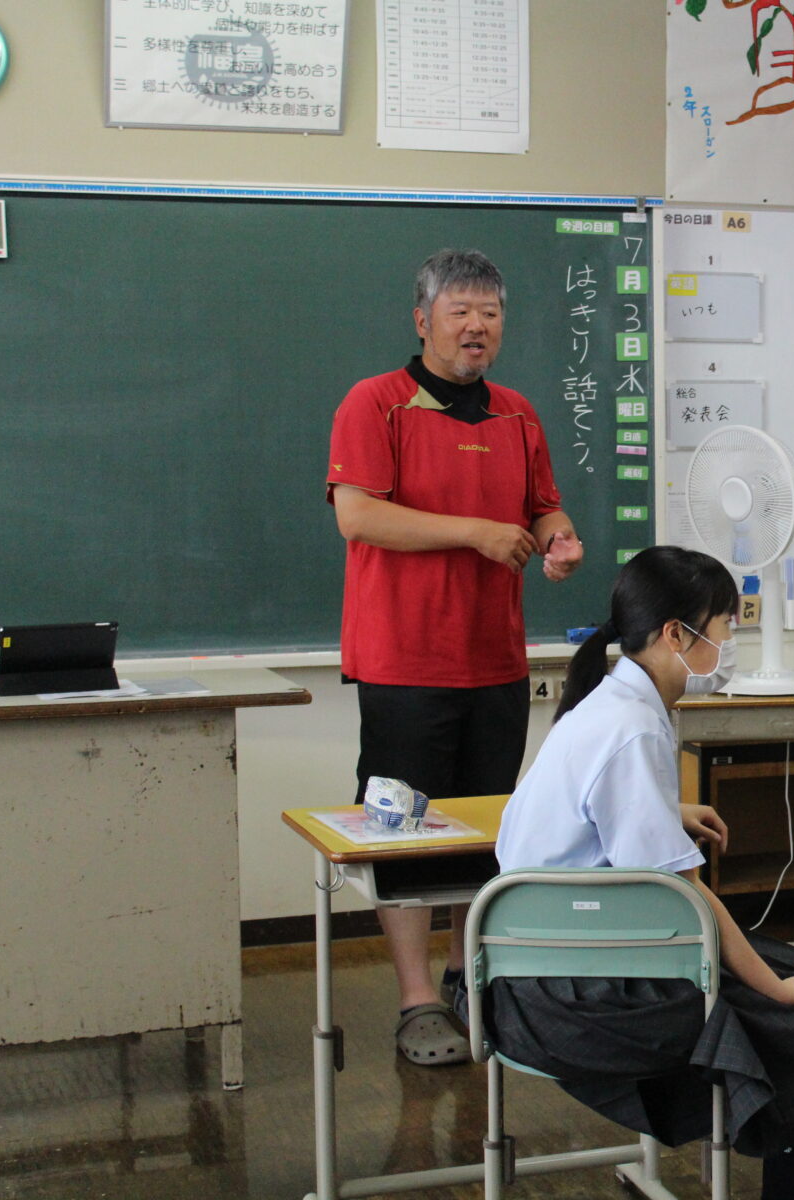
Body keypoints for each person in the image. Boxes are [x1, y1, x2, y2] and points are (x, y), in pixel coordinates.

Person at [486, 545, 794, 1200]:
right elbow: (685, 899)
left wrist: (662, 809)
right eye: (726, 624)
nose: (730, 641)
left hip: (541, 970)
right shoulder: (634, 729)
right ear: (677, 634)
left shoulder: (608, 705)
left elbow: (588, 815)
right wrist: (781, 991)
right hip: (576, 997)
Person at [327, 248, 584, 1066]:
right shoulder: (375, 404)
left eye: (491, 314)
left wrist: (559, 538)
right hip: (404, 661)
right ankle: (412, 1003)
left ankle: (463, 977)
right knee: (404, 836)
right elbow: (360, 517)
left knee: (484, 833)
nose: (477, 327)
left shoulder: (517, 413)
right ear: (423, 320)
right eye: (460, 312)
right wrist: (474, 533)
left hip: (496, 660)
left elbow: (543, 507)